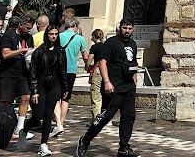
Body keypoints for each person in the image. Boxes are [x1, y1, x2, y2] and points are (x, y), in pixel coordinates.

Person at [77, 19, 141, 157]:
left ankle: (124, 147)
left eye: (130, 28)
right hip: (114, 86)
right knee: (106, 116)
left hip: (129, 86)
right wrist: (106, 81)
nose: (127, 31)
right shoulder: (111, 43)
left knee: (129, 117)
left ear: (133, 29)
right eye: (125, 28)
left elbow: (132, 61)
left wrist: (135, 76)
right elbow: (102, 62)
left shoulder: (133, 44)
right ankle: (85, 140)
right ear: (120, 28)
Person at [17, 26, 68, 156]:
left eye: (56, 34)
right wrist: (34, 90)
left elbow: (63, 71)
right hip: (40, 85)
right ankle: (24, 130)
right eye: (51, 34)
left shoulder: (61, 51)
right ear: (47, 35)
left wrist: (65, 88)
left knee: (48, 114)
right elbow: (33, 72)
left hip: (55, 85)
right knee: (38, 115)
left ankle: (43, 144)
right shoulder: (39, 51)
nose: (54, 36)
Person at [0, 16, 35, 138]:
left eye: (31, 28)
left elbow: (29, 51)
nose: (29, 31)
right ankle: (2, 127)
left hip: (22, 73)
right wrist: (22, 51)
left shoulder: (29, 38)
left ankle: (20, 128)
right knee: (5, 102)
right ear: (21, 25)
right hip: (8, 74)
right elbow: (5, 54)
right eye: (27, 28)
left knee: (26, 97)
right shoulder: (9, 35)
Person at [51, 17, 89, 137]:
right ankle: (61, 122)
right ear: (76, 27)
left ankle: (58, 124)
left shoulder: (59, 36)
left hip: (57, 70)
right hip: (71, 70)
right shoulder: (80, 39)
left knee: (55, 96)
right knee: (66, 97)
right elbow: (85, 57)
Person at [87, 29, 105, 121]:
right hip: (106, 71)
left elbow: (89, 60)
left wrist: (88, 67)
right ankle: (105, 118)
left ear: (94, 37)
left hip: (97, 71)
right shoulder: (106, 46)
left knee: (96, 96)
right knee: (104, 95)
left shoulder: (94, 47)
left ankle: (96, 120)